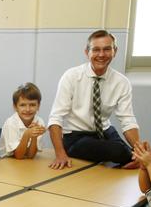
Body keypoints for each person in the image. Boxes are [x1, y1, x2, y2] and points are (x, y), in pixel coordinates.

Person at [47, 30, 140, 169]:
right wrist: (60, 154)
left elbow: (127, 120)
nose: (101, 54)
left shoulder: (122, 82)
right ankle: (127, 158)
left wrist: (140, 152)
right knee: (119, 152)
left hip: (105, 131)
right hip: (76, 136)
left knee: (134, 154)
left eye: (107, 49)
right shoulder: (71, 76)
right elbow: (55, 118)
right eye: (96, 50)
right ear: (87, 52)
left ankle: (133, 157)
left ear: (115, 51)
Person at [0, 82, 46, 159]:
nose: (27, 109)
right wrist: (27, 133)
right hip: (5, 160)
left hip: (24, 159)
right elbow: (18, 156)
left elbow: (30, 156)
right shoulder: (11, 123)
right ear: (15, 107)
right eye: (22, 105)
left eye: (32, 105)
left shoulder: (39, 122)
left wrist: (34, 136)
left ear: (38, 106)